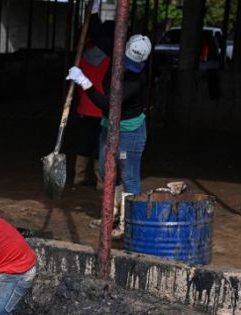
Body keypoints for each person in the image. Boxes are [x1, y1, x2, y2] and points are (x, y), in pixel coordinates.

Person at [66, 33, 152, 239]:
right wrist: (94, 9)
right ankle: (111, 215)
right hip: (109, 127)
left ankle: (127, 224)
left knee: (129, 176)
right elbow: (101, 36)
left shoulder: (135, 80)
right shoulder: (117, 58)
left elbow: (109, 105)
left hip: (129, 132)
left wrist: (84, 82)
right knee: (106, 169)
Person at [71, 0, 111, 190]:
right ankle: (100, 181)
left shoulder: (83, 54)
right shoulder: (111, 59)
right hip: (102, 107)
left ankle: (79, 177)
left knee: (85, 141)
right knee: (100, 144)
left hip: (86, 106)